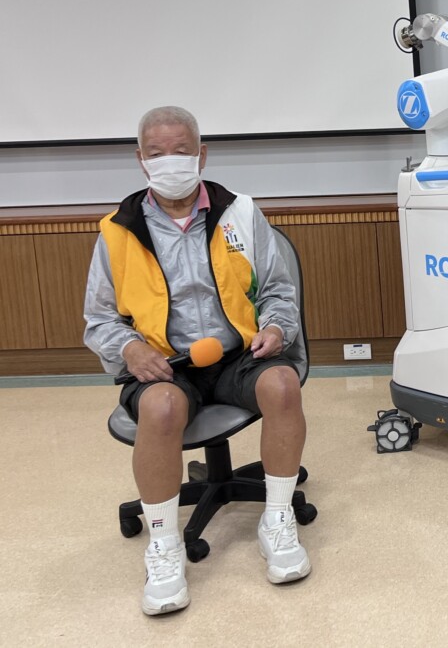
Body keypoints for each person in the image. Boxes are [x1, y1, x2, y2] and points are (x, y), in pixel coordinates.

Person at [84, 106, 311, 616]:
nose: (171, 162)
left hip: (238, 355)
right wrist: (131, 349)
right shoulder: (117, 231)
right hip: (165, 366)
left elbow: (278, 291)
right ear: (141, 160)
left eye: (182, 151)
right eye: (157, 153)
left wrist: (277, 328)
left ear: (202, 155)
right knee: (161, 408)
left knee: (282, 386)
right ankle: (164, 547)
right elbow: (99, 320)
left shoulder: (240, 213)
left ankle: (277, 520)